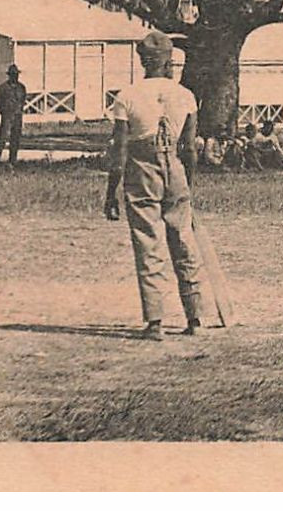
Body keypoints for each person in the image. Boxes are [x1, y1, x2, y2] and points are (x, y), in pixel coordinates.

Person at [102, 31, 206, 341]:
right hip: (174, 167)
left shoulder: (128, 96)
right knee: (183, 239)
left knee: (148, 242)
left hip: (141, 168)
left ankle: (156, 321)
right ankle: (195, 317)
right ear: (169, 61)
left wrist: (112, 191)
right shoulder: (185, 95)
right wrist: (188, 184)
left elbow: (119, 150)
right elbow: (189, 149)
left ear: (142, 60)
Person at [0, 65, 27, 164]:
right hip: (7, 116)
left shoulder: (21, 88)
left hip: (17, 115)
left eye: (16, 75)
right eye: (12, 75)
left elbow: (23, 100)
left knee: (15, 138)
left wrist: (19, 109)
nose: (15, 77)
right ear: (9, 76)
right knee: (2, 138)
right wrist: (3, 110)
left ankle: (13, 159)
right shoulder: (3, 88)